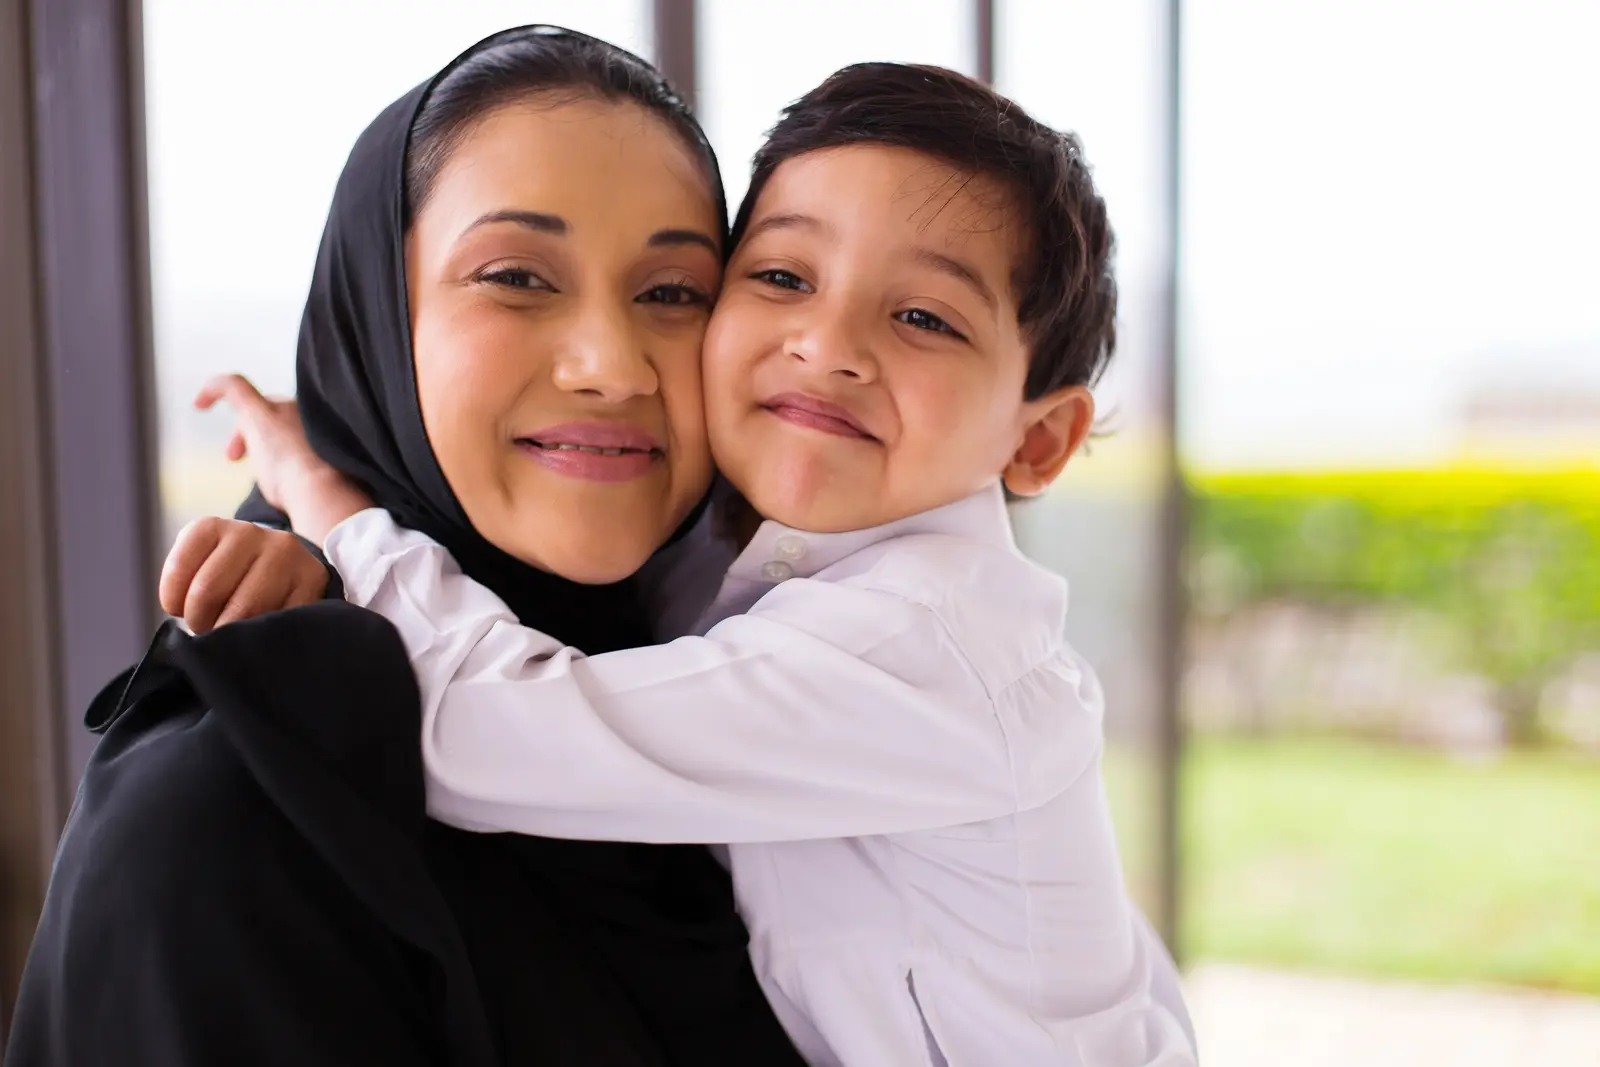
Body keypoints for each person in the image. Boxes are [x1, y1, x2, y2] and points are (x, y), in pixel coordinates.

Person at [165, 63, 1199, 1066]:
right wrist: (321, 567)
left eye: (924, 315)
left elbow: (481, 732)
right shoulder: (730, 551)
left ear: (1038, 442)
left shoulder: (921, 640)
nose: (827, 343)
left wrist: (332, 504)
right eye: (782, 276)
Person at [3, 26, 807, 1067]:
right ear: (377, 322)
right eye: (517, 275)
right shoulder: (233, 816)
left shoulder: (747, 704)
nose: (614, 365)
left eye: (670, 292)